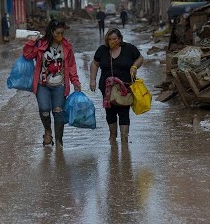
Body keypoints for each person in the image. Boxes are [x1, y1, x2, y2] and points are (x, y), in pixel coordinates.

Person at [23, 19, 82, 147]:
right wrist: (32, 41)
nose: (60, 36)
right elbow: (27, 55)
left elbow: (71, 65)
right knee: (44, 109)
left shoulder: (66, 46)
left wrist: (75, 82)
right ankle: (48, 131)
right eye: (58, 33)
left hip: (59, 85)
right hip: (42, 84)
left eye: (62, 33)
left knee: (58, 111)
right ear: (51, 32)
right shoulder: (41, 45)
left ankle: (59, 141)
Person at [89, 28, 144, 143]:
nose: (112, 41)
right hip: (107, 88)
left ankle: (124, 139)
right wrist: (92, 80)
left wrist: (134, 67)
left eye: (114, 39)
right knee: (110, 112)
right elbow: (94, 64)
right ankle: (112, 138)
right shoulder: (102, 50)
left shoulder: (129, 48)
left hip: (125, 87)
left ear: (120, 39)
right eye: (109, 39)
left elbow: (140, 58)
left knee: (124, 112)